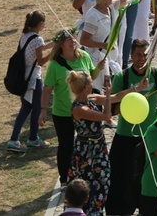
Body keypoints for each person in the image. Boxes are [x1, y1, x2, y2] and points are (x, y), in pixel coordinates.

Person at [106, 39, 157, 215]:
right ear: (131, 55)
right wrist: (133, 98)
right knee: (122, 178)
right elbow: (112, 110)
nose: (142, 58)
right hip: (126, 135)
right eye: (138, 55)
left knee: (148, 178)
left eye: (145, 55)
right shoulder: (122, 78)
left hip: (150, 136)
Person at [41, 28, 105, 189]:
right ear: (61, 44)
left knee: (84, 142)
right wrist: (42, 110)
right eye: (69, 39)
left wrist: (98, 68)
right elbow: (47, 89)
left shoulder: (84, 56)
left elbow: (91, 76)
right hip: (63, 112)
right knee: (66, 145)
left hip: (83, 108)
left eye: (74, 38)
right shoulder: (55, 65)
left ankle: (82, 174)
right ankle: (64, 179)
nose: (73, 41)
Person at [7, 10, 55, 153]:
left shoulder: (25, 36)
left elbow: (38, 48)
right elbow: (40, 61)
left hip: (24, 77)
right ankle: (30, 139)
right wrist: (53, 54)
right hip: (33, 78)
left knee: (26, 108)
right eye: (44, 22)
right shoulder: (37, 39)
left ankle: (20, 138)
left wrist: (54, 43)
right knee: (34, 109)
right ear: (40, 23)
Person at [67, 70, 113, 216]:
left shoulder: (90, 99)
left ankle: (97, 212)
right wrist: (107, 97)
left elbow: (115, 97)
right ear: (86, 87)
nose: (93, 83)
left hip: (98, 147)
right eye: (91, 82)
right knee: (85, 187)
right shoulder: (79, 108)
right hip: (86, 152)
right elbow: (106, 116)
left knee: (103, 183)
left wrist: (136, 89)